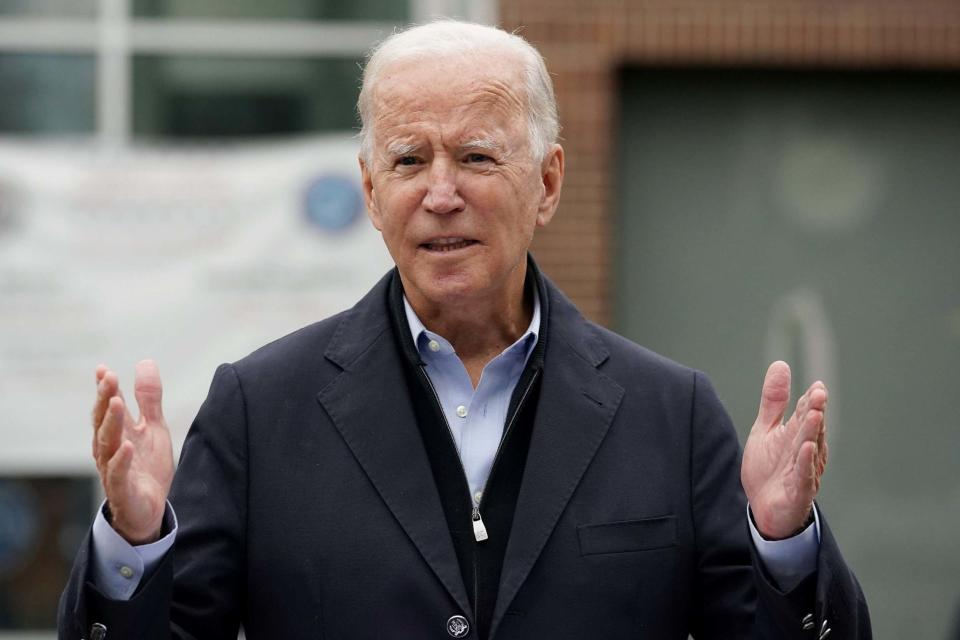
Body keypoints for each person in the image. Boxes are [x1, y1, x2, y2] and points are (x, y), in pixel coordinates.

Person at [59, 20, 871, 640]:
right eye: (409, 161)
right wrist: (134, 546)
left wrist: (783, 541)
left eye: (477, 158)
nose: (440, 194)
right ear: (371, 194)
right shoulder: (260, 410)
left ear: (547, 183)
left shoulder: (670, 414)